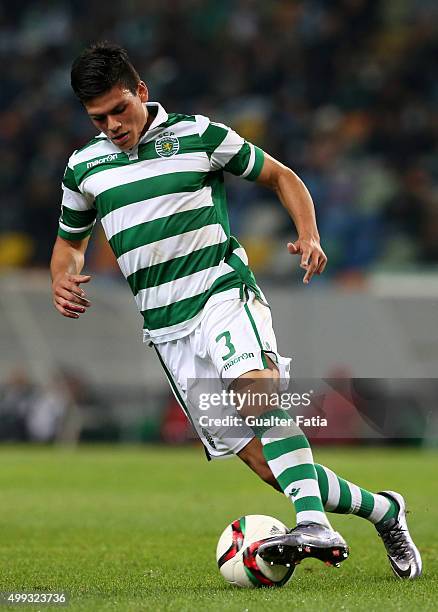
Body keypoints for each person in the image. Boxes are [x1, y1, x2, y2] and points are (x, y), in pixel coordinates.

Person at [50, 42, 422, 579]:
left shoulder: (199, 134)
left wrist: (309, 234)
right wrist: (63, 275)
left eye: (119, 110)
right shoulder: (83, 167)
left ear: (142, 93)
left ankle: (314, 523)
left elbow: (281, 177)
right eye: (98, 117)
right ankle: (385, 510)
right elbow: (69, 242)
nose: (111, 124)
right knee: (270, 467)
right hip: (167, 330)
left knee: (257, 387)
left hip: (221, 293)